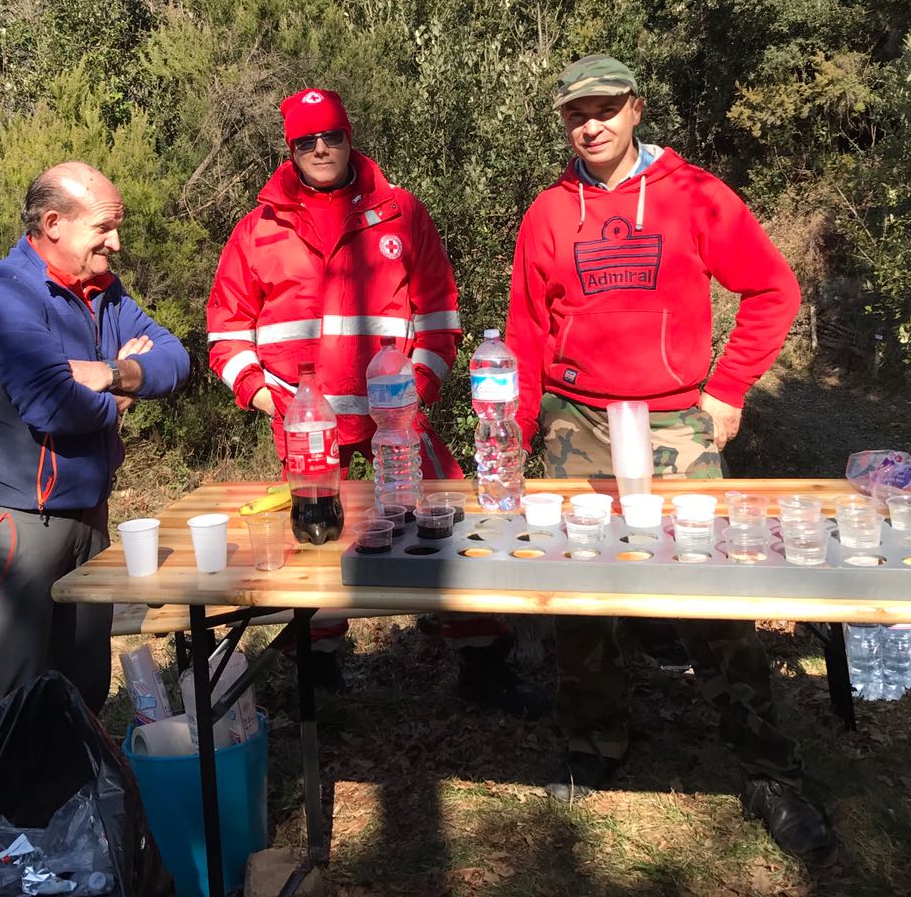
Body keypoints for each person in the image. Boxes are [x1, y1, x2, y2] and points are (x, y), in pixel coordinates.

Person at [505, 55, 833, 860]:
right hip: (574, 423)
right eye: (577, 112)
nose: (593, 124)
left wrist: (727, 390)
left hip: (675, 423)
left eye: (607, 108)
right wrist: (515, 435)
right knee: (580, 596)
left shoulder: (695, 195)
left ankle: (767, 770)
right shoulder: (549, 212)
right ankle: (595, 744)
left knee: (707, 592)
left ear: (637, 109)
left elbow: (773, 290)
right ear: (564, 123)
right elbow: (524, 331)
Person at [207, 87, 541, 713]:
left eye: (331, 135)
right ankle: (318, 666)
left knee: (443, 522)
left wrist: (419, 387)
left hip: (396, 418)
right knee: (314, 542)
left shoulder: (400, 212)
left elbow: (439, 310)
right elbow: (227, 330)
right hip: (306, 425)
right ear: (291, 147)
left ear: (349, 135)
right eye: (307, 140)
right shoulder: (258, 229)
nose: (321, 149)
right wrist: (263, 395)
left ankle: (482, 658)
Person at [0, 161, 190, 717]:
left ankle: (79, 798)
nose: (117, 242)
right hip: (12, 521)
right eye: (104, 227)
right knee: (15, 692)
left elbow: (176, 360)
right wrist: (124, 393)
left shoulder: (102, 290)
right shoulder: (3, 295)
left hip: (87, 514)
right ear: (54, 223)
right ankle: (1, 802)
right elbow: (53, 404)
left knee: (84, 683)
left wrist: (109, 374)